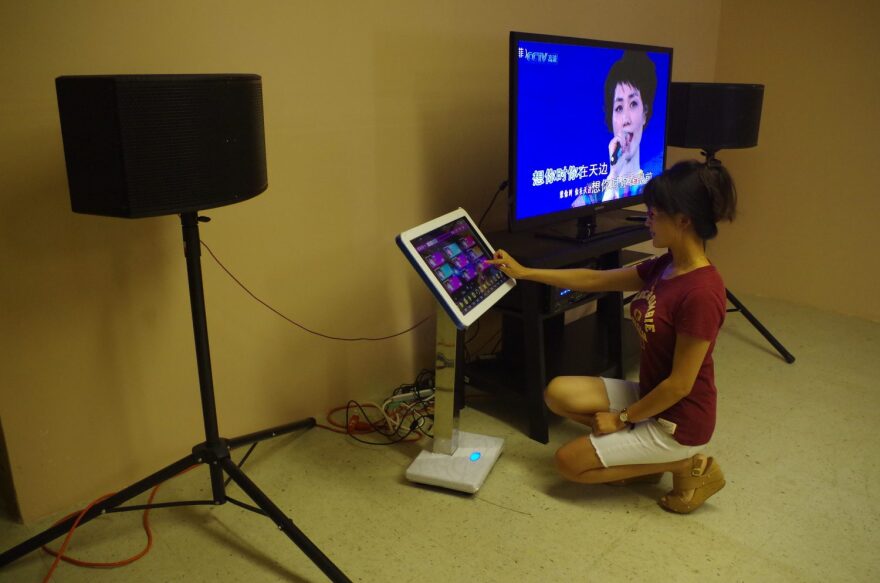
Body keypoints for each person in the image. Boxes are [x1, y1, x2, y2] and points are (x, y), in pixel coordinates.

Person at [488, 159, 736, 513]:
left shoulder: (702, 292)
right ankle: (641, 462)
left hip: (678, 422)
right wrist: (525, 272)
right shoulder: (666, 265)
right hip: (651, 398)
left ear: (683, 220)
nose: (647, 218)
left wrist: (624, 418)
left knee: (568, 464)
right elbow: (595, 280)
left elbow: (680, 385)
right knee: (557, 393)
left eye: (654, 213)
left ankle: (683, 464)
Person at [572, 51, 658, 207]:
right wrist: (614, 173)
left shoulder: (656, 192)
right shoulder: (587, 199)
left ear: (645, 113)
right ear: (611, 120)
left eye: (633, 104)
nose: (625, 120)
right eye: (618, 108)